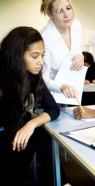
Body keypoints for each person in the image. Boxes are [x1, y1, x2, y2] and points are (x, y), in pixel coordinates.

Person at [0, 26, 60, 186]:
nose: (41, 61)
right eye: (35, 56)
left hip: (17, 137)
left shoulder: (33, 76)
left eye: (42, 55)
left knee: (37, 137)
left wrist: (31, 124)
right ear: (17, 55)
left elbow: (54, 109)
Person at [40, 0, 84, 99]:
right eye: (60, 11)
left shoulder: (77, 25)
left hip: (73, 89)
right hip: (51, 93)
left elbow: (77, 49)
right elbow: (43, 78)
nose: (67, 15)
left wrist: (80, 56)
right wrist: (61, 87)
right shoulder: (45, 38)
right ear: (50, 14)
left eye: (68, 8)